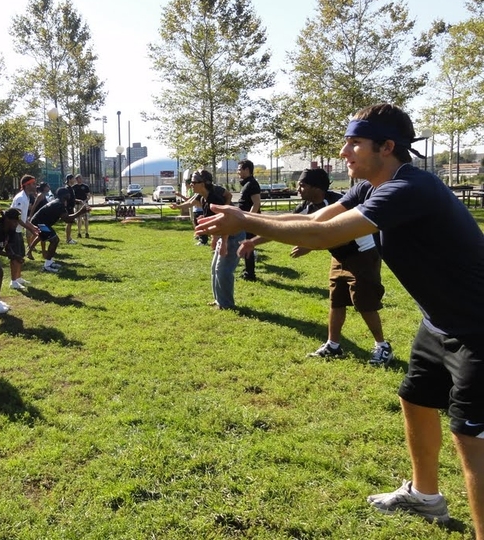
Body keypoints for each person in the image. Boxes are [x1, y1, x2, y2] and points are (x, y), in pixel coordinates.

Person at [195, 103, 484, 534]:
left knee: (471, 440)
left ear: (386, 147)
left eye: (354, 143)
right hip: (438, 322)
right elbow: (314, 219)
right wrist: (250, 228)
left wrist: (243, 219)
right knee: (416, 400)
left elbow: (323, 235)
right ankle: (425, 497)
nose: (344, 152)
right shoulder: (371, 186)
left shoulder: (410, 188)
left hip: (477, 329)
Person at [238, 167, 390, 365]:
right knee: (336, 301)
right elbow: (284, 227)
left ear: (316, 188)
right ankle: (333, 345)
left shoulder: (338, 203)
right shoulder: (308, 206)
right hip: (339, 256)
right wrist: (252, 242)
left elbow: (342, 236)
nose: (298, 189)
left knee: (364, 303)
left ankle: (382, 346)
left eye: (302, 185)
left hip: (362, 255)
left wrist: (309, 246)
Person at [173, 169, 240, 308]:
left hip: (233, 234)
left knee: (223, 271)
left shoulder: (214, 199)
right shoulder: (203, 196)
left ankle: (226, 304)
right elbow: (192, 203)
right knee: (215, 269)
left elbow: (226, 222)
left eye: (193, 182)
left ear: (203, 184)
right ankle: (219, 301)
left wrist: (222, 242)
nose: (191, 184)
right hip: (224, 234)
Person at [29, 191, 90, 273]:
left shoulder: (59, 202)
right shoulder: (58, 204)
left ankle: (49, 262)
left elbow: (65, 217)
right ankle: (47, 265)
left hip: (41, 222)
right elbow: (67, 219)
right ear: (63, 195)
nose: (69, 195)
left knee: (50, 238)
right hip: (40, 223)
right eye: (67, 193)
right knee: (54, 240)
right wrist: (80, 212)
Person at [8, 175, 40, 289]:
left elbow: (24, 218)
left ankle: (18, 278)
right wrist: (30, 229)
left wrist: (33, 227)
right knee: (15, 256)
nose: (35, 185)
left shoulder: (26, 197)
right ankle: (13, 281)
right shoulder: (20, 198)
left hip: (18, 231)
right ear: (27, 185)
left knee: (20, 254)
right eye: (33, 183)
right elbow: (17, 218)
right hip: (12, 231)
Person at [236, 159, 261, 281]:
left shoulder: (252, 184)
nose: (238, 172)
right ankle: (248, 271)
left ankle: (250, 274)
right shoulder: (247, 184)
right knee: (245, 246)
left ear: (247, 170)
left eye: (239, 169)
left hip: (249, 222)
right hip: (244, 221)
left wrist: (249, 220)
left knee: (248, 246)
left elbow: (256, 204)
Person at [26, 182, 52, 260]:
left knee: (41, 236)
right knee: (43, 235)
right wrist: (31, 216)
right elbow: (34, 206)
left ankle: (31, 250)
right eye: (47, 186)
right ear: (44, 188)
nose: (49, 188)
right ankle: (40, 252)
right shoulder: (40, 195)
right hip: (39, 219)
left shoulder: (43, 195)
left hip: (43, 218)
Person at [56, 174, 77, 244]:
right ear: (69, 179)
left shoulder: (71, 188)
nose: (74, 180)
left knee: (70, 223)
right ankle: (68, 239)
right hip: (68, 208)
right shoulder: (67, 188)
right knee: (69, 223)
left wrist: (77, 201)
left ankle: (69, 238)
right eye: (73, 179)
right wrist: (66, 208)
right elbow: (66, 199)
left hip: (71, 207)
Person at [72, 173, 91, 239]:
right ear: (76, 179)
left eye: (80, 178)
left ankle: (87, 232)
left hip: (85, 204)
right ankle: (79, 233)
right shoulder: (74, 187)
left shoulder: (85, 186)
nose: (79, 179)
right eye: (78, 178)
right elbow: (72, 197)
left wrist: (85, 201)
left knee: (86, 219)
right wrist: (78, 201)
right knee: (79, 219)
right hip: (77, 205)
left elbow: (88, 195)